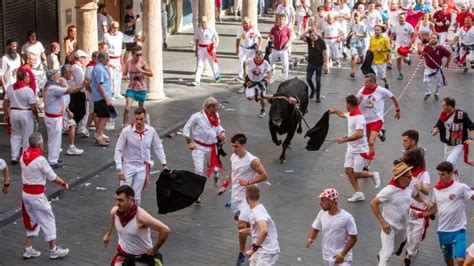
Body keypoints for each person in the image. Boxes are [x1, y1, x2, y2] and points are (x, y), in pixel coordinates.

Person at [217, 134, 267, 266]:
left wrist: (249, 182)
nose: (234, 149)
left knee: (241, 225)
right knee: (247, 225)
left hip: (248, 197)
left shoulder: (252, 160)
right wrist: (224, 186)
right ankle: (259, 240)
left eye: (237, 146)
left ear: (243, 145)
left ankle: (241, 254)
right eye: (233, 146)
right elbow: (233, 173)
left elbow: (264, 175)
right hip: (236, 196)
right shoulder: (233, 157)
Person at [20, 132, 70, 260]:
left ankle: (29, 248)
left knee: (33, 220)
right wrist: (64, 183)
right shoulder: (40, 159)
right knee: (48, 219)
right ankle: (54, 250)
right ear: (39, 144)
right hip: (37, 196)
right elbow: (52, 176)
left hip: (26, 194)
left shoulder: (23, 156)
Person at [329, 95, 381, 202]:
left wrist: (344, 140)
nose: (345, 106)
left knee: (356, 173)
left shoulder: (359, 117)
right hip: (351, 149)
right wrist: (334, 111)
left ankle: (373, 174)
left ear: (349, 104)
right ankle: (358, 193)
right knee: (348, 170)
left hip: (359, 150)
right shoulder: (352, 114)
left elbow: (359, 135)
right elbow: (343, 114)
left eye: (346, 104)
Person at [421, 161, 474, 266]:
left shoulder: (460, 187)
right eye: (439, 174)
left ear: (451, 173)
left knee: (460, 259)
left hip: (459, 230)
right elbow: (435, 208)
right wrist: (421, 214)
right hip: (443, 231)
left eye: (443, 174)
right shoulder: (436, 190)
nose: (440, 177)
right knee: (448, 260)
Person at [103, 185, 170, 265]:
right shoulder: (115, 211)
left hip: (142, 258)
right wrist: (108, 234)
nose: (117, 203)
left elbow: (165, 230)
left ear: (131, 200)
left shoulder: (141, 217)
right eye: (116, 200)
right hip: (124, 255)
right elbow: (113, 218)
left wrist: (154, 250)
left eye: (121, 200)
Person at [115, 108, 168, 206]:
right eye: (136, 119)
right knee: (123, 195)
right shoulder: (126, 132)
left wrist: (164, 163)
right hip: (128, 167)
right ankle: (121, 216)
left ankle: (134, 217)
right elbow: (118, 149)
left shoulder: (151, 131)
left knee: (136, 196)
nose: (139, 121)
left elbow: (157, 146)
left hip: (142, 168)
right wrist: (119, 169)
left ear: (145, 119)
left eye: (141, 119)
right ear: (133, 118)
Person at [370, 162, 416, 266]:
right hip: (389, 227)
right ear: (400, 178)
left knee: (393, 251)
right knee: (387, 255)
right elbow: (373, 203)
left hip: (403, 227)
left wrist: (425, 204)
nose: (411, 178)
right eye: (409, 177)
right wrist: (382, 222)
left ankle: (381, 253)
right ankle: (382, 257)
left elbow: (415, 195)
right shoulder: (389, 191)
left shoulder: (410, 186)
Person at [356, 74, 401, 170]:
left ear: (372, 82)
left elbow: (393, 97)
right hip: (366, 120)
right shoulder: (362, 91)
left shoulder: (381, 91)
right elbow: (357, 102)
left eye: (367, 82)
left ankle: (367, 165)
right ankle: (381, 132)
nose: (365, 84)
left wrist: (397, 110)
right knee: (368, 142)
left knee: (371, 143)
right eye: (365, 82)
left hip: (377, 120)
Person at [43, 69, 84, 168]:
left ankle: (54, 158)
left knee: (55, 139)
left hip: (54, 117)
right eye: (56, 75)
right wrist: (82, 86)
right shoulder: (53, 88)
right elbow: (69, 90)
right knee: (54, 139)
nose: (58, 76)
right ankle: (52, 161)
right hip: (54, 118)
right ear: (52, 77)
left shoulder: (50, 86)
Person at [306, 188, 358, 265]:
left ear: (331, 201)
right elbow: (315, 229)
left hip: (343, 259)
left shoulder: (347, 218)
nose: (320, 203)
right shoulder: (321, 214)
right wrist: (311, 238)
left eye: (323, 201)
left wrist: (341, 255)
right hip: (327, 257)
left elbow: (354, 238)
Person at [183, 97, 226, 185]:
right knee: (198, 171)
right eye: (216, 107)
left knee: (214, 167)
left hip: (212, 147)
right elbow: (186, 128)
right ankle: (197, 194)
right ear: (210, 107)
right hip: (199, 147)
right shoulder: (197, 117)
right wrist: (189, 141)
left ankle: (216, 175)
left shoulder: (216, 115)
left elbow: (217, 127)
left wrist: (222, 132)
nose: (218, 109)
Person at [401, 148, 432, 265]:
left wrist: (420, 187)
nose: (407, 165)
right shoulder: (406, 172)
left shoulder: (424, 174)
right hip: (408, 208)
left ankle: (409, 253)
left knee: (417, 236)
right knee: (408, 233)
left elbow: (427, 189)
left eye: (409, 163)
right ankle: (409, 252)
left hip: (420, 210)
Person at [2, 70, 39, 164]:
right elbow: (33, 106)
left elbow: (5, 102)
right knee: (27, 135)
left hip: (14, 112)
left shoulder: (10, 88)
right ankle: (24, 156)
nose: (29, 79)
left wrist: (6, 114)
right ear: (24, 78)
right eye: (28, 77)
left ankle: (14, 156)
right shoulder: (28, 90)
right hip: (25, 113)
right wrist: (36, 115)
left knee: (15, 135)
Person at [432, 97, 474, 175]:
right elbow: (438, 125)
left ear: (450, 106)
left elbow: (472, 127)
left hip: (459, 144)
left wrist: (470, 139)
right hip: (447, 144)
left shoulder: (461, 115)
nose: (442, 107)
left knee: (449, 163)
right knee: (450, 165)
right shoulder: (443, 115)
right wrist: (435, 130)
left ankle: (452, 182)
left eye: (444, 105)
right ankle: (455, 181)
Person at [239, 185, 280, 265]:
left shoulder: (258, 212)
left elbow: (264, 231)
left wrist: (252, 249)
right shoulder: (257, 209)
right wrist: (245, 231)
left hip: (267, 251)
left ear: (247, 198)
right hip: (260, 250)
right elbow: (258, 230)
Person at [103, 21, 136, 100]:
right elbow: (103, 48)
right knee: (110, 77)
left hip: (118, 58)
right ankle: (109, 93)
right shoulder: (106, 36)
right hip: (109, 59)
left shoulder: (120, 35)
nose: (115, 29)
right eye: (114, 27)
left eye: (117, 28)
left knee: (118, 76)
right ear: (111, 27)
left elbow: (127, 39)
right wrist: (106, 61)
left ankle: (117, 93)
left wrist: (136, 39)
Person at [122, 46, 153, 127]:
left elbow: (151, 74)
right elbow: (124, 74)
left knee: (142, 108)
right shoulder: (128, 63)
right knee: (127, 108)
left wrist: (142, 70)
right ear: (132, 54)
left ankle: (145, 119)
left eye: (140, 54)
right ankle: (125, 125)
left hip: (141, 88)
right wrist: (125, 77)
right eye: (137, 55)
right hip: (131, 88)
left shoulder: (142, 62)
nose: (139, 56)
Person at [58, 65, 84, 157]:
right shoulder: (61, 81)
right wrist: (82, 86)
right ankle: (70, 147)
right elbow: (65, 93)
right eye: (70, 72)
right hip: (62, 109)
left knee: (62, 128)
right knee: (71, 125)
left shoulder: (64, 81)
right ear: (65, 73)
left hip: (64, 109)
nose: (72, 74)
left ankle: (59, 147)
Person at [91, 51, 114, 146]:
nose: (108, 60)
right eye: (107, 58)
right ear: (101, 59)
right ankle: (99, 135)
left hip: (102, 97)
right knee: (105, 116)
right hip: (101, 97)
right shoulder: (99, 69)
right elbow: (100, 86)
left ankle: (99, 134)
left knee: (104, 116)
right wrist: (106, 98)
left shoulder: (101, 68)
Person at [421, 33, 451, 101]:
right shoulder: (426, 48)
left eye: (434, 38)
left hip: (438, 69)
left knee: (438, 84)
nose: (432, 40)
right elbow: (421, 56)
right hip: (428, 68)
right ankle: (428, 93)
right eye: (431, 38)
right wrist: (423, 54)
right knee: (425, 81)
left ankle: (436, 93)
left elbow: (449, 55)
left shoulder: (441, 48)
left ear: (437, 40)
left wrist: (447, 64)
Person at [192, 16, 221, 86]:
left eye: (204, 22)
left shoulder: (211, 29)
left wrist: (215, 47)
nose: (203, 24)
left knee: (213, 63)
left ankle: (217, 76)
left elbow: (217, 38)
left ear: (207, 22)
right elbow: (196, 40)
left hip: (209, 48)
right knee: (200, 65)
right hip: (201, 49)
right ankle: (197, 80)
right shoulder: (198, 30)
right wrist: (196, 50)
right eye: (202, 22)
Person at [300, 27, 327, 102]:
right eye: (310, 35)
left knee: (318, 80)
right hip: (311, 63)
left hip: (319, 64)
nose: (311, 37)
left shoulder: (321, 41)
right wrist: (307, 31)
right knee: (308, 78)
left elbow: (325, 53)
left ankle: (318, 97)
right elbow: (301, 37)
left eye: (313, 35)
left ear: (316, 34)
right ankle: (313, 89)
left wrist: (326, 64)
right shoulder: (309, 40)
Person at [242, 50, 273, 118]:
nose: (258, 59)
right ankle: (256, 95)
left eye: (259, 57)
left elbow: (270, 71)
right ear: (254, 56)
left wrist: (268, 78)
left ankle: (263, 110)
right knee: (249, 98)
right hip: (251, 82)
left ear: (262, 57)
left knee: (262, 97)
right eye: (256, 57)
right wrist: (244, 72)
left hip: (260, 82)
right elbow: (244, 62)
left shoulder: (265, 63)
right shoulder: (250, 60)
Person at [235, 17, 262, 83]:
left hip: (252, 49)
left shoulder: (254, 29)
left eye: (246, 23)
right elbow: (238, 39)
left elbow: (260, 38)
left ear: (249, 23)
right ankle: (240, 76)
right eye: (244, 23)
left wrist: (259, 46)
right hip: (243, 48)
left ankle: (252, 76)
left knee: (251, 63)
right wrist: (237, 48)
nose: (245, 25)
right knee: (241, 61)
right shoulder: (241, 29)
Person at [69, 50, 89, 137]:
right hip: (78, 92)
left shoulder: (76, 67)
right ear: (79, 58)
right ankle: (79, 128)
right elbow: (80, 82)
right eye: (83, 57)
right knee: (82, 111)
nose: (85, 59)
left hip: (75, 91)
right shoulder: (77, 68)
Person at [390, 12, 415, 80]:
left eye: (402, 18)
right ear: (398, 18)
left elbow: (413, 35)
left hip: (406, 45)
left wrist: (411, 43)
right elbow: (392, 34)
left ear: (405, 18)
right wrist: (390, 41)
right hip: (398, 44)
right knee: (398, 60)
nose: (401, 19)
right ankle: (400, 74)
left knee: (405, 59)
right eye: (400, 18)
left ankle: (408, 60)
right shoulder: (395, 26)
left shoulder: (409, 26)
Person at [268, 14, 293, 80]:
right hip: (275, 49)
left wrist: (288, 43)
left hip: (283, 49)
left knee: (285, 64)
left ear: (285, 21)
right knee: (271, 63)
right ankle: (270, 76)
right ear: (277, 20)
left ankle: (285, 77)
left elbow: (290, 37)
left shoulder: (287, 29)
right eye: (280, 19)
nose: (281, 21)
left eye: (283, 20)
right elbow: (269, 35)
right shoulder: (274, 28)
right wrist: (270, 40)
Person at [349, 12, 368, 78]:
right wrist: (347, 37)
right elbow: (350, 31)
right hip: (353, 43)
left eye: (357, 16)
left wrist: (357, 34)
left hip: (361, 43)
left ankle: (364, 69)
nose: (356, 17)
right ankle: (353, 71)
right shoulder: (352, 25)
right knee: (354, 57)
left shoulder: (363, 25)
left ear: (360, 17)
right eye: (355, 16)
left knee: (362, 58)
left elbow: (365, 35)